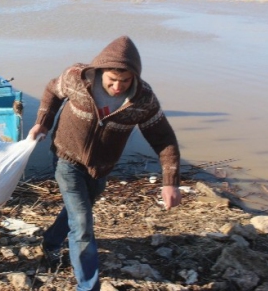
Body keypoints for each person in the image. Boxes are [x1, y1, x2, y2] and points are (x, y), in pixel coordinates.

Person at [28, 36, 181, 291]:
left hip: (102, 166)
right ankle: (88, 286)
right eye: (112, 80)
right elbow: (51, 91)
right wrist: (43, 121)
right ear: (100, 72)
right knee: (83, 223)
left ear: (135, 77)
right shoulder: (76, 78)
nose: (118, 86)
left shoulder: (143, 100)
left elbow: (164, 139)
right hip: (66, 158)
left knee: (79, 210)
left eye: (125, 81)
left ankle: (51, 242)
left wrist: (170, 182)